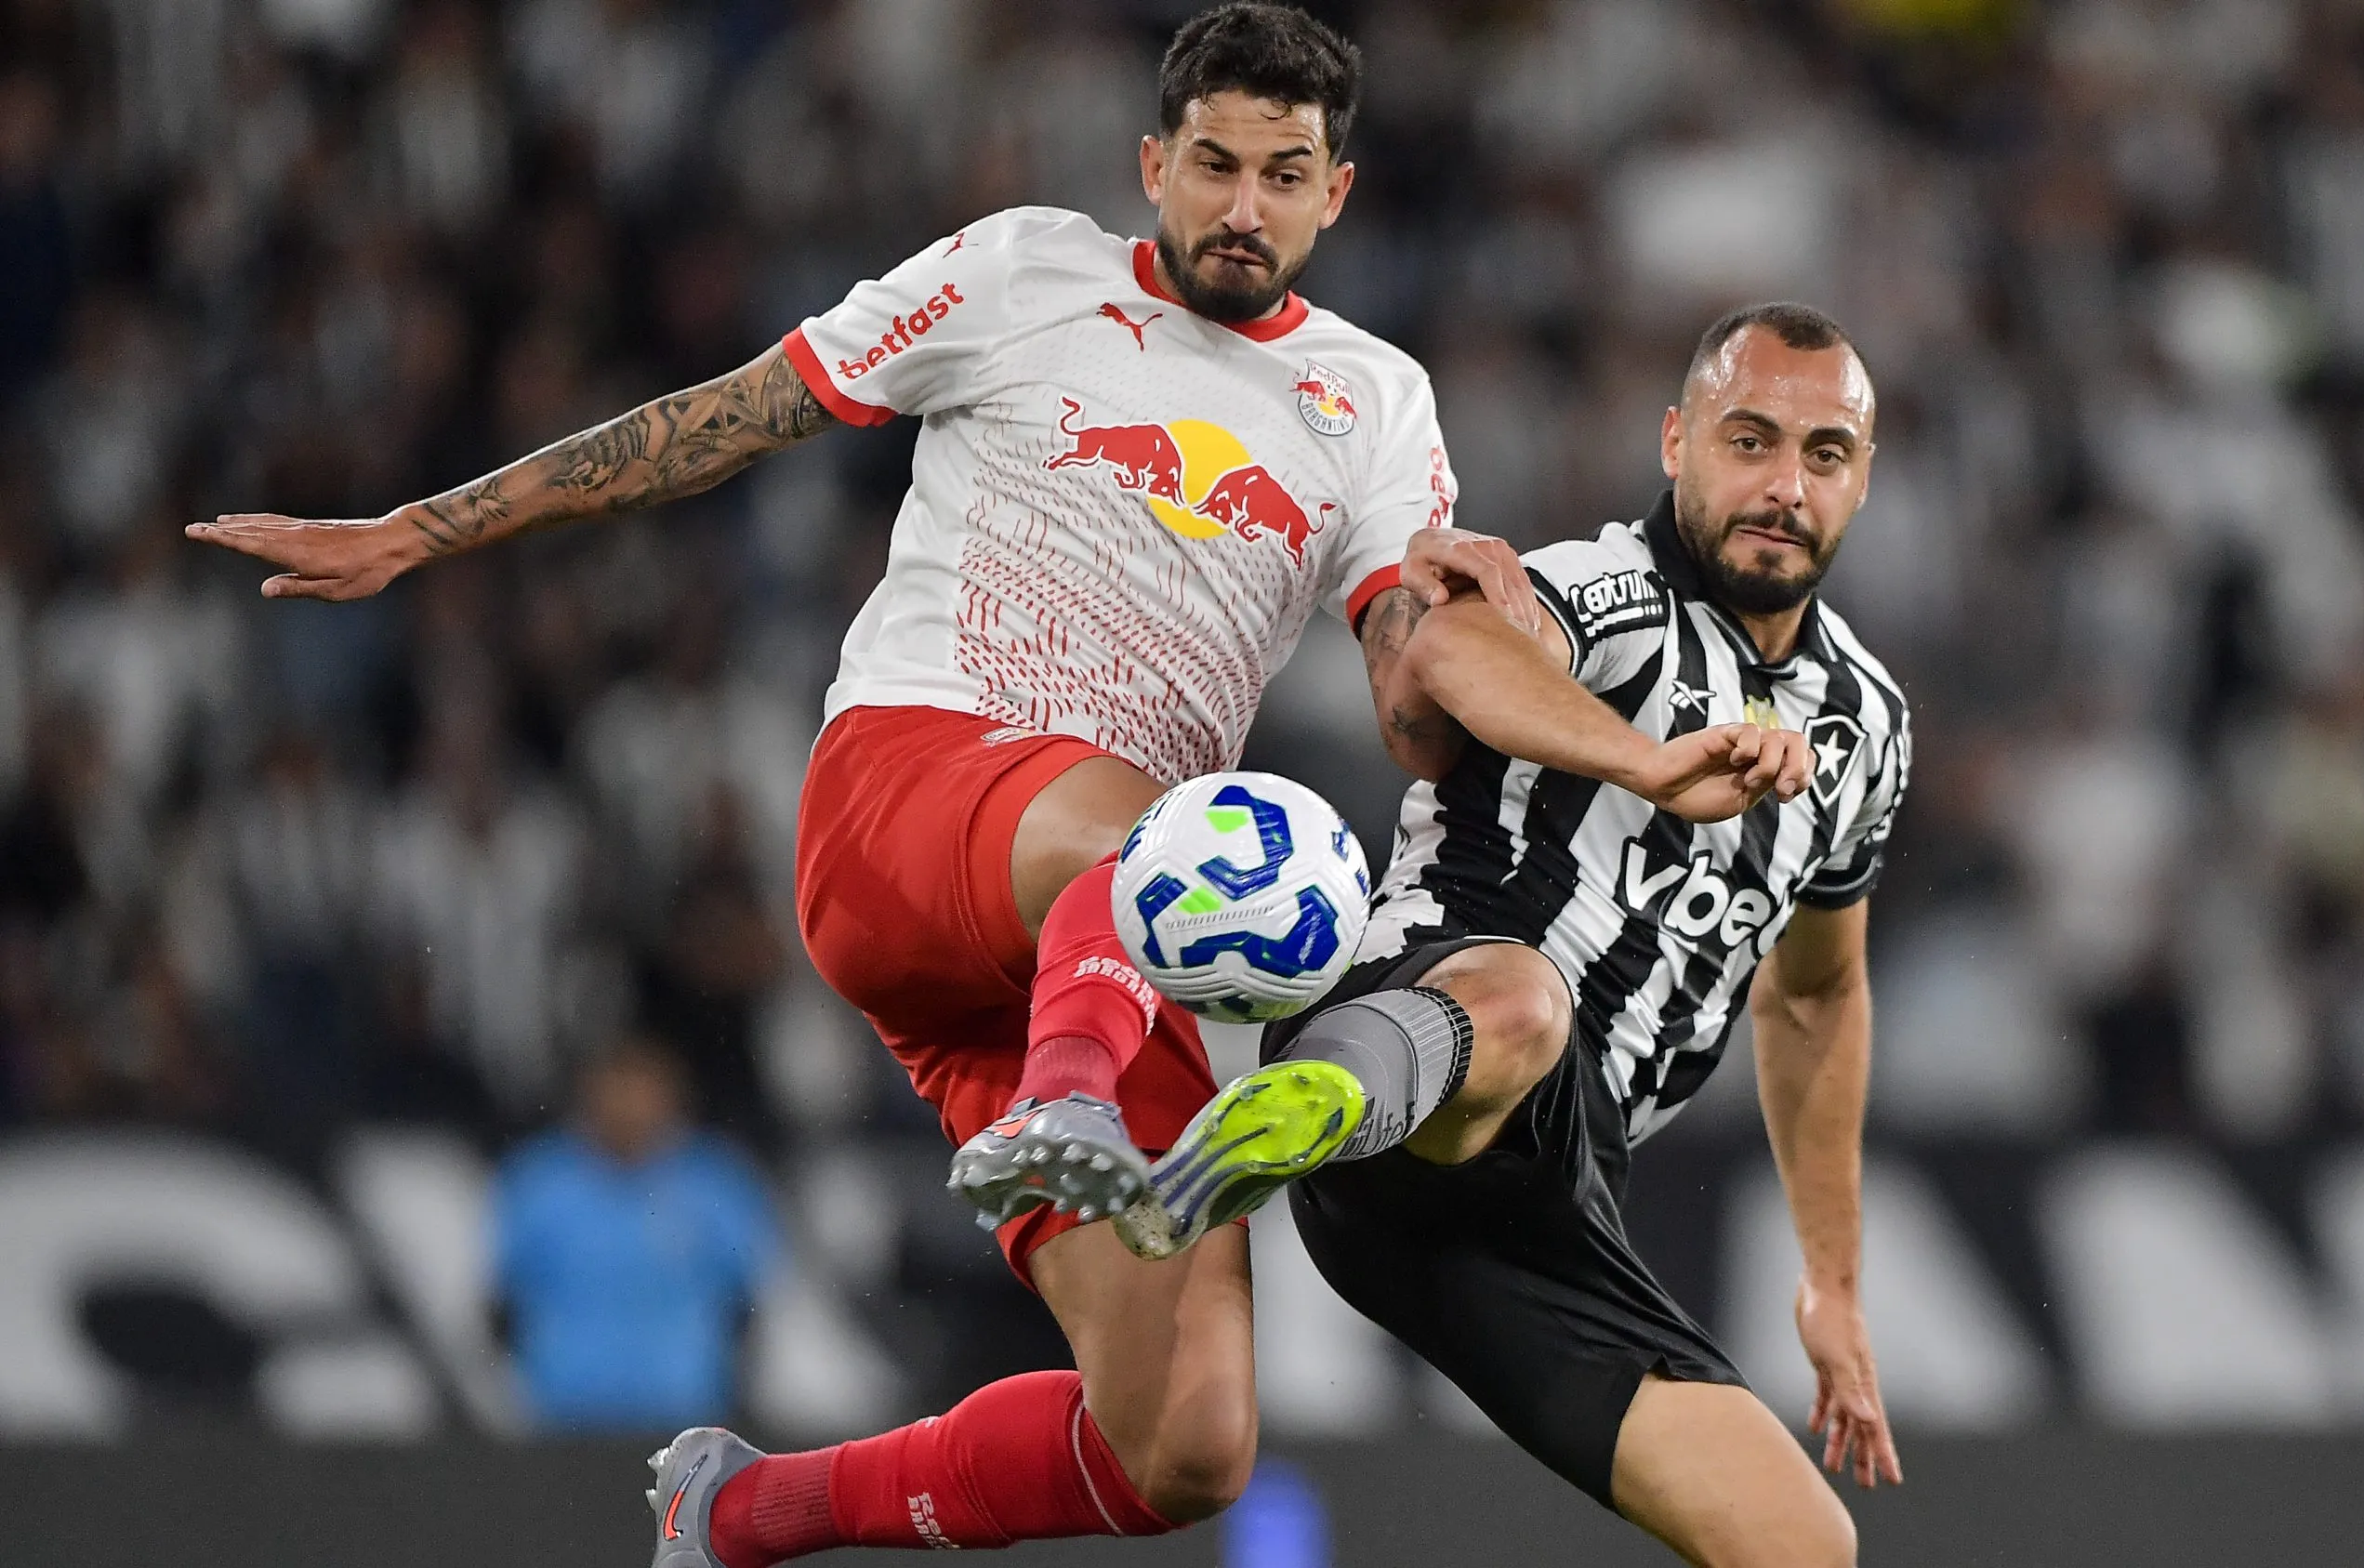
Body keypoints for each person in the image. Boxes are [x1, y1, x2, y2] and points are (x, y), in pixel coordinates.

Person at [191, 7, 1611, 1561]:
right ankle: (1066, 1106)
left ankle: (748, 1506)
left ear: (1338, 192)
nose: (1243, 207)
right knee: (1206, 836)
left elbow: (1415, 706)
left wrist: (1485, 650)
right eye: (1213, 164)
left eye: (1285, 174)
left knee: (1186, 1446)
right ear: (1155, 163)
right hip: (917, 799)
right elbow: (723, 421)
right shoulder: (1022, 273)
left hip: (1100, 936)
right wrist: (427, 527)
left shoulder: (1377, 401)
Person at [1129, 304, 1910, 1568]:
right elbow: (1451, 648)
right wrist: (1654, 763)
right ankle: (1291, 1109)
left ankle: (1309, 1114)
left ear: (1863, 478)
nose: (1782, 485)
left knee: (1802, 1544)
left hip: (1541, 1203)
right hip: (1426, 1034)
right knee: (1533, 1002)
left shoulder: (1866, 727)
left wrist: (1832, 1282)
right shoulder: (1612, 591)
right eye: (1749, 439)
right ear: (1676, 441)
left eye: (1824, 455)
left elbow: (1816, 998)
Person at [492, 1038, 780, 1433]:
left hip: (686, 1423)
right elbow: (502, 1305)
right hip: (563, 1424)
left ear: (673, 1096)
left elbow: (746, 1305)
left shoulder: (715, 1183)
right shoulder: (538, 1183)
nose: (628, 1105)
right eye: (616, 1088)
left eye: (642, 1089)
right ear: (588, 1092)